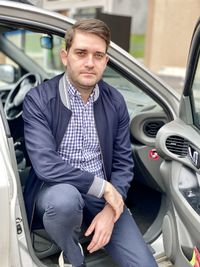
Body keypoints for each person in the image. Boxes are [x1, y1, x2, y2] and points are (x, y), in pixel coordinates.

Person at [22, 19, 158, 267]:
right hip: (55, 191)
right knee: (66, 200)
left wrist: (110, 209)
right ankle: (73, 255)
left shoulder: (114, 100)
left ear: (106, 61)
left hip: (100, 197)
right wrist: (104, 188)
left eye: (98, 55)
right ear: (65, 56)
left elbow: (123, 162)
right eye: (81, 53)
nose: (89, 62)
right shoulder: (39, 99)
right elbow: (45, 165)